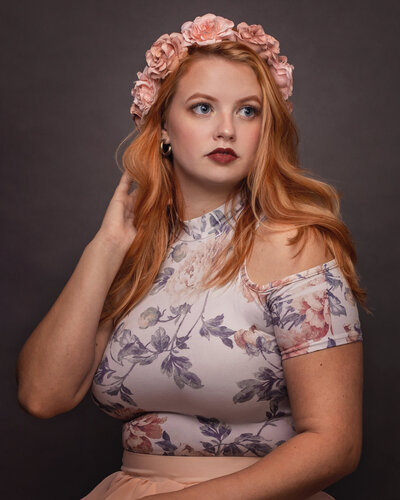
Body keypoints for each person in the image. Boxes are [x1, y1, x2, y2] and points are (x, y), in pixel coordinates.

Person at [16, 13, 367, 500]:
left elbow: (336, 444)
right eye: (203, 107)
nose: (226, 129)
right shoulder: (133, 252)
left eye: (248, 111)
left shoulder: (295, 244)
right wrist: (107, 247)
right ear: (162, 125)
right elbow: (42, 396)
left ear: (266, 129)